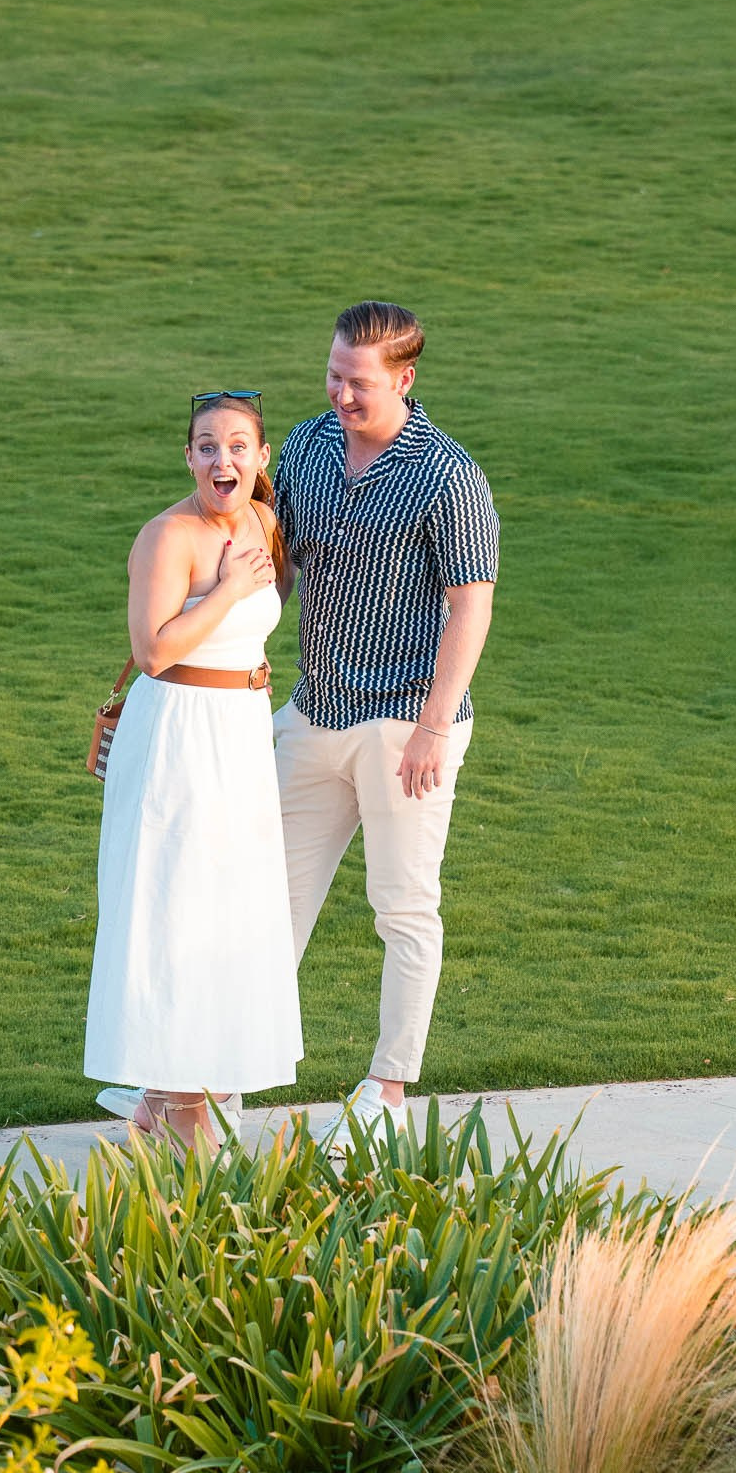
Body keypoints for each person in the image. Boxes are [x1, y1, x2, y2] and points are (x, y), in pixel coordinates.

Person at [273, 302, 497, 1142]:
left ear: (404, 379)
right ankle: (217, 1080)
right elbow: (283, 563)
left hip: (406, 723)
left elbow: (470, 606)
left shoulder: (447, 474)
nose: (340, 395)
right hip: (315, 711)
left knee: (403, 907)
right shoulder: (307, 445)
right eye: (333, 375)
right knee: (267, 906)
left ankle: (387, 1092)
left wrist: (435, 728)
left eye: (357, 383)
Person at [84, 392, 302, 1146]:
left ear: (261, 457)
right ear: (188, 457)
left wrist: (251, 650)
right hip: (177, 739)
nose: (223, 460)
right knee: (174, 909)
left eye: (239, 445)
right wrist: (233, 591)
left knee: (225, 912)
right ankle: (181, 1107)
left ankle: (163, 1100)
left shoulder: (265, 522)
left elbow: (256, 621)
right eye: (207, 446)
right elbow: (153, 651)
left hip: (239, 737)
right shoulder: (167, 536)